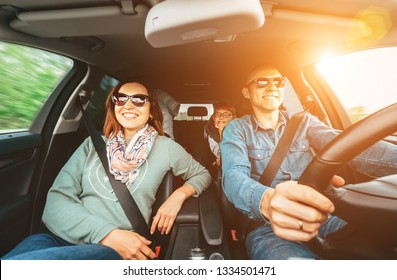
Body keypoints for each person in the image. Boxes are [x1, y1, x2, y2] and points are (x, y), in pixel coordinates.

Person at [2, 81, 211, 260]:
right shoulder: (92, 145)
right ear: (114, 106)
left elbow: (202, 174)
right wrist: (104, 233)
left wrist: (178, 196)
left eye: (139, 99)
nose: (129, 105)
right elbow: (56, 202)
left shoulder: (166, 147)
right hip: (59, 237)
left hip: (116, 247)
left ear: (151, 110)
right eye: (121, 99)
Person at [220, 64, 397, 260]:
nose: (272, 87)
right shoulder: (236, 129)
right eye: (262, 82)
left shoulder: (304, 122)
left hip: (322, 216)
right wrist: (268, 201)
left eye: (278, 82)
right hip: (268, 228)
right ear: (247, 92)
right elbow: (233, 176)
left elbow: (346, 145)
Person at [204, 102, 236, 167]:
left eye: (226, 114)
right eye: (217, 114)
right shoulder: (212, 134)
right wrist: (220, 132)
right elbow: (219, 153)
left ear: (234, 118)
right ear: (213, 118)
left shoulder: (241, 131)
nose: (221, 117)